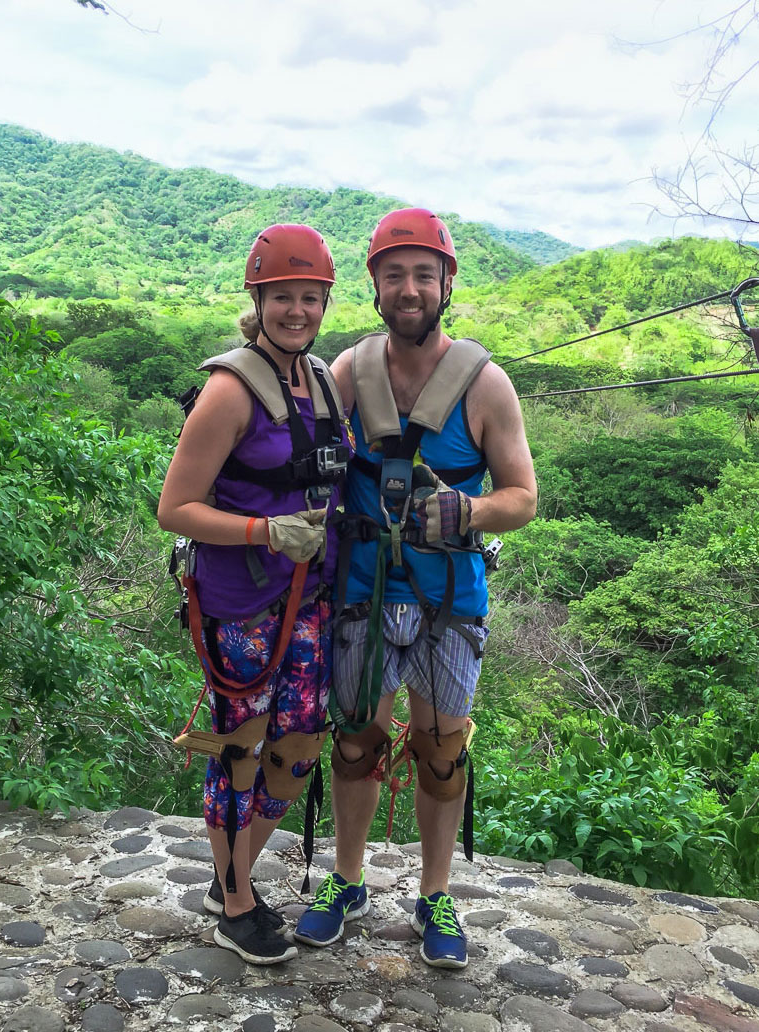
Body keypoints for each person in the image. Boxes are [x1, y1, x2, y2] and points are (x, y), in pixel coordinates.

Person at [294, 208, 537, 969]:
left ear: (445, 284)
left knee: (440, 750)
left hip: (448, 596)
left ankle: (435, 893)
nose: (408, 289)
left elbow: (522, 496)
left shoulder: (484, 383)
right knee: (358, 740)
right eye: (393, 275)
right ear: (374, 287)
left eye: (422, 275)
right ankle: (348, 877)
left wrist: (468, 509)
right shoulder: (347, 373)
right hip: (365, 587)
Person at [158, 224, 351, 965]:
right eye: (283, 297)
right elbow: (176, 508)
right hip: (240, 599)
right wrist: (263, 532)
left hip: (310, 595)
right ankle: (235, 896)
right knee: (240, 746)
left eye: (310, 297)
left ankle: (228, 872)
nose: (297, 310)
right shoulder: (229, 389)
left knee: (299, 743)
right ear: (259, 298)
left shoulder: (323, 381)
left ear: (325, 302)